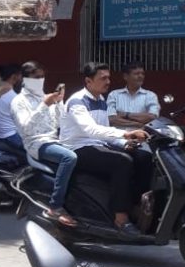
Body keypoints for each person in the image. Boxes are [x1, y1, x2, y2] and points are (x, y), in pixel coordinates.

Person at [60, 61, 151, 234]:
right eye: (103, 78)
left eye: (108, 77)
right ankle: (121, 218)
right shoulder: (77, 102)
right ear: (88, 81)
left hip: (98, 144)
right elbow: (92, 130)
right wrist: (125, 134)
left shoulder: (101, 100)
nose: (108, 81)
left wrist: (125, 142)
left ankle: (137, 206)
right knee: (121, 162)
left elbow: (105, 134)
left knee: (143, 157)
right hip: (78, 147)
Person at [10, 61, 78, 227]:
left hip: (55, 140)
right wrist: (44, 105)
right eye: (36, 77)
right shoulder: (19, 101)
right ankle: (55, 207)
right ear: (25, 79)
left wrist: (59, 102)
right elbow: (27, 128)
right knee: (69, 158)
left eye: (42, 76)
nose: (40, 80)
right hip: (36, 144)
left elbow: (59, 122)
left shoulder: (45, 96)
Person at [107, 61, 160, 129]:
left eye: (142, 74)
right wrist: (138, 124)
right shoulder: (114, 95)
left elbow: (152, 117)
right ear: (125, 76)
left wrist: (125, 115)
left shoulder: (150, 96)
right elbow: (111, 119)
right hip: (118, 137)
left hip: (143, 137)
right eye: (136, 74)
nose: (140, 76)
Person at [0, 63, 25, 160]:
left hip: (1, 135)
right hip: (13, 136)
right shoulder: (14, 98)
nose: (22, 80)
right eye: (21, 77)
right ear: (14, 77)